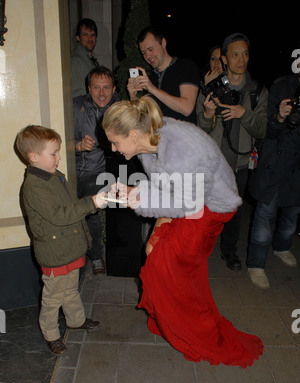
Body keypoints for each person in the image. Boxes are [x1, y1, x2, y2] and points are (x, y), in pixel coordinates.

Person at [102, 95, 264, 367]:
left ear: (132, 135)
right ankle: (170, 320)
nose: (113, 148)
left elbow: (188, 204)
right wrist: (137, 192)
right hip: (191, 200)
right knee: (155, 252)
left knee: (170, 269)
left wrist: (140, 199)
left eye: (115, 142)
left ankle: (201, 333)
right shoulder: (147, 141)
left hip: (211, 207)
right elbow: (169, 187)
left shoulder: (182, 152)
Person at [15, 125, 107, 355]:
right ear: (34, 157)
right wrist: (91, 203)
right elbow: (60, 215)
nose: (58, 157)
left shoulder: (54, 176)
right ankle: (51, 334)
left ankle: (76, 320)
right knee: (53, 297)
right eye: (53, 153)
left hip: (68, 247)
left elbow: (68, 208)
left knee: (70, 290)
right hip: (55, 252)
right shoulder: (34, 186)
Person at [197, 33, 268, 271]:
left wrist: (243, 113)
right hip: (214, 162)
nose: (241, 59)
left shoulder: (257, 91)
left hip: (240, 163)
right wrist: (207, 114)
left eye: (245, 53)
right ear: (225, 59)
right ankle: (201, 251)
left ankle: (229, 251)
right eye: (235, 54)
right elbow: (200, 128)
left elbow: (262, 129)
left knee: (234, 212)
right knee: (206, 209)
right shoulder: (212, 87)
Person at [247, 67, 300, 289]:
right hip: (276, 161)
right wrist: (280, 116)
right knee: (265, 215)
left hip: (297, 167)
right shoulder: (281, 86)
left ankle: (281, 247)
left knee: (292, 214)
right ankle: (256, 264)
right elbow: (266, 130)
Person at [74, 66, 120, 275]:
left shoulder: (121, 108)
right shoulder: (76, 107)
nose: (102, 93)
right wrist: (77, 146)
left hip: (116, 171)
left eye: (106, 88)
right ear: (88, 89)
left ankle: (109, 255)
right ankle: (93, 254)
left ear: (114, 88)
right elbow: (58, 139)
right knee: (89, 202)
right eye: (96, 87)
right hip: (85, 171)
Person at [127, 26, 200, 124]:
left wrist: (153, 89)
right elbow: (143, 121)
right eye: (143, 53)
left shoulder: (185, 66)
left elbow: (187, 108)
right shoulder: (150, 78)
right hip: (159, 138)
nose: (148, 56)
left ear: (163, 43)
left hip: (184, 137)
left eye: (151, 49)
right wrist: (133, 97)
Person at [71, 18, 99, 97]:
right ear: (78, 37)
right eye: (85, 35)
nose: (90, 39)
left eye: (92, 35)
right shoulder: (75, 61)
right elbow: (76, 94)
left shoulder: (92, 60)